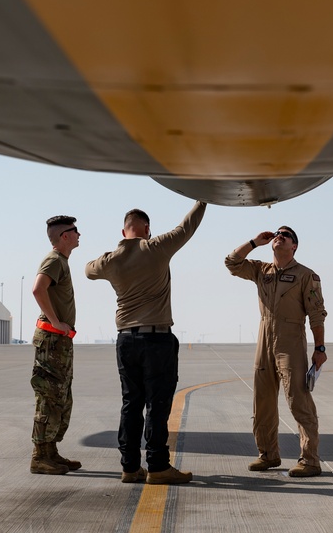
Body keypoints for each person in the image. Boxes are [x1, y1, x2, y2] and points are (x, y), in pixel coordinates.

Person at [85, 200, 207, 485]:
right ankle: (158, 466)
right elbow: (186, 228)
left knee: (131, 404)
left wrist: (113, 253)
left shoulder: (110, 260)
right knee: (157, 404)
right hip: (157, 340)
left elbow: (88, 270)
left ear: (123, 230)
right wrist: (202, 199)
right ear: (147, 229)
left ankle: (129, 466)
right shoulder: (156, 248)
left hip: (126, 341)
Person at [225, 226, 327, 478]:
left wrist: (320, 348)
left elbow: (316, 313)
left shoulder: (306, 275)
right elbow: (231, 262)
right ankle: (268, 454)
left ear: (295, 246)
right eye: (278, 233)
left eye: (287, 235)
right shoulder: (262, 271)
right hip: (264, 339)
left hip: (290, 340)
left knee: (298, 400)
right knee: (263, 402)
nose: (280, 236)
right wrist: (253, 242)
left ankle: (310, 460)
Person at [29, 215, 82, 475]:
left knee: (60, 398)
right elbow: (38, 289)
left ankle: (50, 453)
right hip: (51, 340)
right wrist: (56, 322)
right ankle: (40, 456)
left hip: (58, 342)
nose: (79, 234)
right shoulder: (53, 260)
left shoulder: (61, 261)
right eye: (75, 231)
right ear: (65, 236)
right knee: (49, 397)